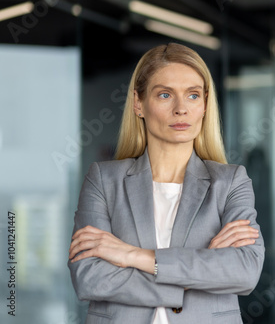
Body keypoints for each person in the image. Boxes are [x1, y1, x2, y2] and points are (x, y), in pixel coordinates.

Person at [68, 43, 265, 324]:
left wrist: (131, 255)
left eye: (193, 95)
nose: (181, 109)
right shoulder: (103, 179)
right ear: (138, 103)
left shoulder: (231, 182)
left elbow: (244, 271)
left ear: (205, 104)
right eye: (164, 95)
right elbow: (90, 278)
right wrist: (199, 269)